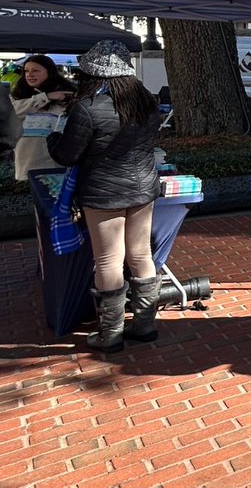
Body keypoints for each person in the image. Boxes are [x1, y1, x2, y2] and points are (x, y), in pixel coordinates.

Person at [46, 40, 162, 353]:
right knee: (141, 255)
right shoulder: (148, 102)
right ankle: (145, 326)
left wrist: (52, 139)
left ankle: (111, 334)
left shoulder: (88, 108)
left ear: (93, 75)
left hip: (103, 192)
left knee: (108, 260)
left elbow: (68, 154)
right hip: (144, 188)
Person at [10, 55, 76, 180]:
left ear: (49, 72)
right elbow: (11, 112)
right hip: (29, 164)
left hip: (59, 164)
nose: (29, 74)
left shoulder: (67, 94)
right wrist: (46, 97)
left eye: (35, 70)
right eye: (26, 71)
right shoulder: (18, 95)